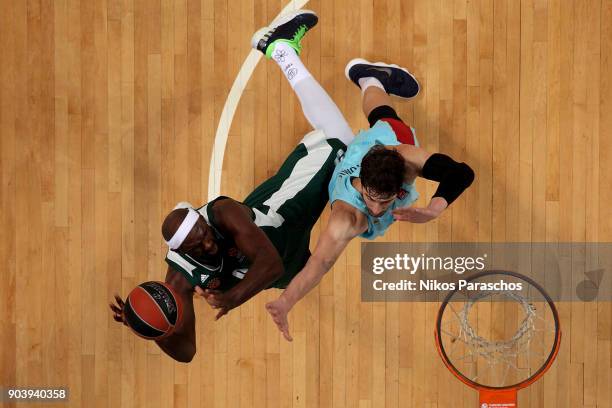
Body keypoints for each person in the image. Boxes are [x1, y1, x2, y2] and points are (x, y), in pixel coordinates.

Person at [110, 10, 356, 362]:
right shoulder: (180, 280)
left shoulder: (222, 213)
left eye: (204, 231)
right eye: (201, 243)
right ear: (188, 252)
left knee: (341, 142)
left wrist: (232, 298)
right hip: (285, 262)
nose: (209, 240)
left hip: (285, 210)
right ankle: (372, 84)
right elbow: (186, 351)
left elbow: (267, 263)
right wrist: (151, 330)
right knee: (323, 258)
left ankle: (281, 50)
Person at [264, 51, 475, 341]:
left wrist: (434, 209)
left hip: (387, 136)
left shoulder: (404, 156)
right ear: (362, 182)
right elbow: (321, 262)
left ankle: (370, 78)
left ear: (400, 180)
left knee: (387, 120)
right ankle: (368, 78)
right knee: (380, 118)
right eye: (371, 198)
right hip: (361, 150)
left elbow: (462, 173)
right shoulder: (347, 218)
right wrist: (286, 301)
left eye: (385, 201)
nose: (376, 209)